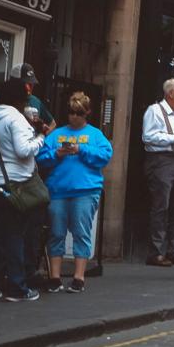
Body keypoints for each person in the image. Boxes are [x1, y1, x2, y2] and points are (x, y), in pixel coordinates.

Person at [0, 74, 47, 302]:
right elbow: (22, 150)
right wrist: (40, 137)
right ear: (18, 99)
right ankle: (17, 287)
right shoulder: (16, 119)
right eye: (25, 98)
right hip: (16, 183)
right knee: (15, 235)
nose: (27, 103)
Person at [39, 92, 111, 293]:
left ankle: (79, 277)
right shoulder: (56, 135)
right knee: (56, 233)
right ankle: (55, 277)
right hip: (58, 190)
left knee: (81, 232)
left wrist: (81, 149)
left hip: (85, 191)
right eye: (71, 112)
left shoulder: (96, 135)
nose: (74, 117)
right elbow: (41, 158)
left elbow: (105, 156)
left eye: (78, 113)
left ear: (87, 113)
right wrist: (57, 153)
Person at [141, 78, 174, 266]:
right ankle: (155, 252)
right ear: (171, 93)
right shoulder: (154, 111)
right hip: (160, 160)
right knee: (161, 205)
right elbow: (147, 136)